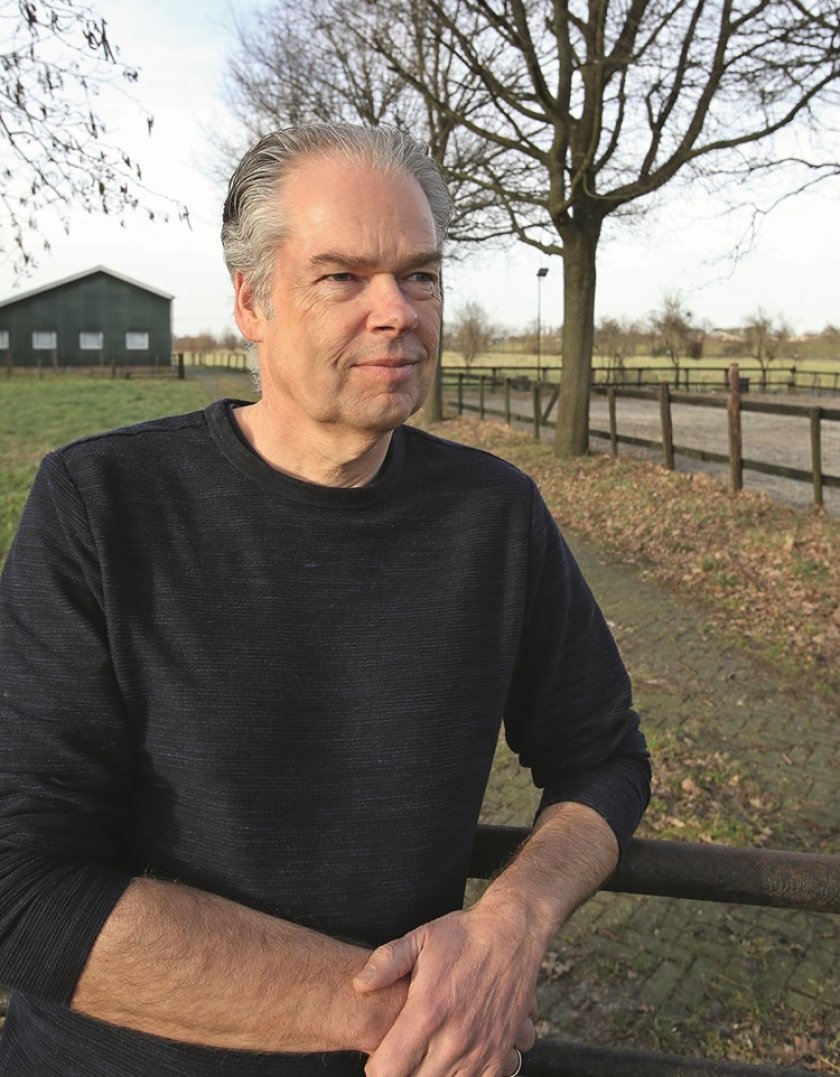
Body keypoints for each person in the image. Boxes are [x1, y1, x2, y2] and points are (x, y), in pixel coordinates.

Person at [0, 123, 650, 1077]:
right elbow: (22, 884)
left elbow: (604, 758)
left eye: (420, 275)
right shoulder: (102, 506)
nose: (397, 311)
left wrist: (513, 923)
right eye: (343, 277)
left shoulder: (494, 517)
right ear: (252, 302)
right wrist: (409, 1009)